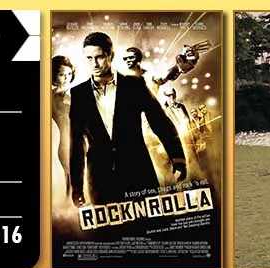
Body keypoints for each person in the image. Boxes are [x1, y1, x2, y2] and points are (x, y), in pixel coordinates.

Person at [67, 31, 186, 207]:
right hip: (100, 180)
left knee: (149, 230)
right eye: (89, 58)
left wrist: (177, 158)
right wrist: (77, 185)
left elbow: (160, 122)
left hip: (138, 173)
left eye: (99, 57)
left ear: (110, 55)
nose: (94, 64)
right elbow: (76, 141)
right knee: (108, 233)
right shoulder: (78, 94)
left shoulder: (134, 85)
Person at [49, 55, 75, 198]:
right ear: (54, 75)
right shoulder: (49, 95)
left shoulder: (74, 94)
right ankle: (68, 205)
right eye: (62, 75)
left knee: (74, 175)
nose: (67, 78)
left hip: (77, 139)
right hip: (61, 141)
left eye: (69, 74)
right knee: (68, 175)